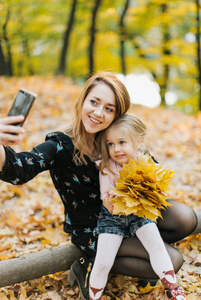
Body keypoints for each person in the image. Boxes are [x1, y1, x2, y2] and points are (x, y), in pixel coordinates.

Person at [0, 72, 197, 300]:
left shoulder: (116, 139)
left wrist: (134, 158)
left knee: (185, 218)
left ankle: (145, 248)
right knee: (174, 260)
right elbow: (20, 169)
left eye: (109, 108)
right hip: (94, 227)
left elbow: (151, 169)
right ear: (83, 100)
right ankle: (90, 262)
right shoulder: (60, 146)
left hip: (132, 212)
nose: (98, 113)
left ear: (117, 115)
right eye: (94, 102)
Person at [89, 114, 188, 300]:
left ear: (138, 141)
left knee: (157, 247)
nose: (116, 149)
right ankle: (95, 296)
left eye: (122, 142)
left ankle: (173, 290)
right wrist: (114, 198)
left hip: (141, 213)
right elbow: (108, 203)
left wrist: (152, 195)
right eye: (111, 144)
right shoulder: (107, 167)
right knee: (103, 261)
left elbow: (158, 190)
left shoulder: (145, 163)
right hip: (113, 218)